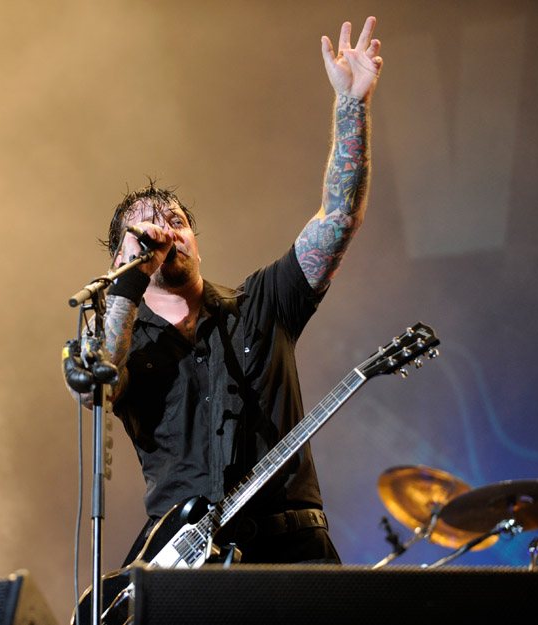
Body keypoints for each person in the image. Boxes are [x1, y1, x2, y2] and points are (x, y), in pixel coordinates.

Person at [82, 16, 382, 566]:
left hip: (293, 550)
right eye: (146, 229)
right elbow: (97, 384)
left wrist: (351, 104)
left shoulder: (262, 303)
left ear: (196, 241)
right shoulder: (122, 344)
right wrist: (128, 282)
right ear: (120, 258)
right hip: (185, 561)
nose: (164, 233)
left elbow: (339, 218)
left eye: (175, 222)